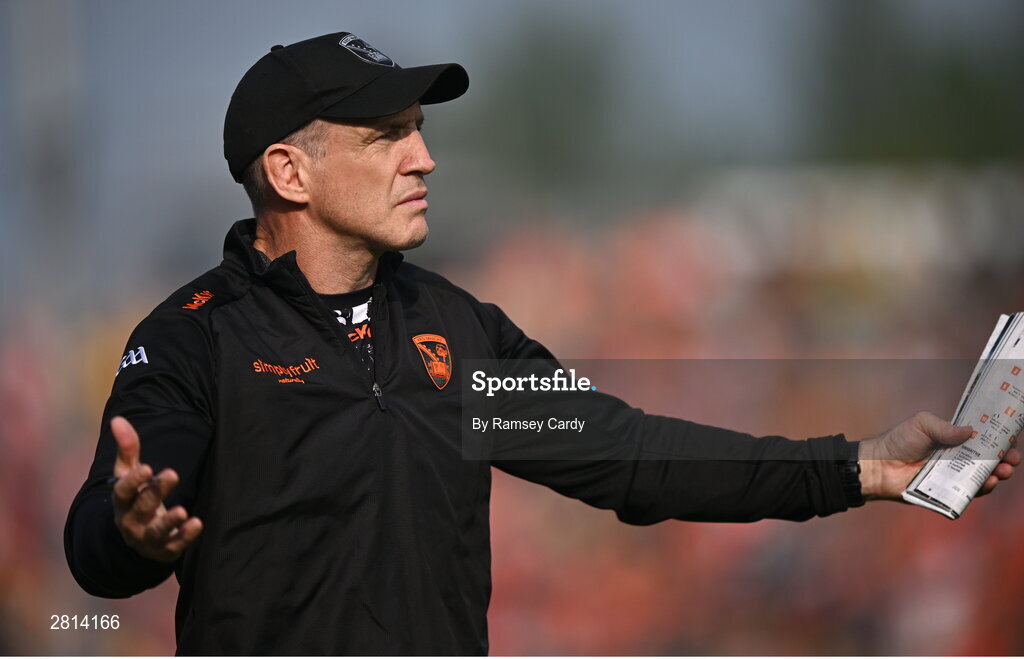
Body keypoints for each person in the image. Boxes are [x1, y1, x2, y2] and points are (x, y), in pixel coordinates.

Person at [64, 32, 1019, 654]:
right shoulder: (195, 338)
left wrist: (855, 466)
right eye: (386, 135)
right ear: (289, 171)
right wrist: (132, 531)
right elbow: (102, 539)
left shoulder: (455, 331)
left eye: (421, 130)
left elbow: (634, 457)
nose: (425, 156)